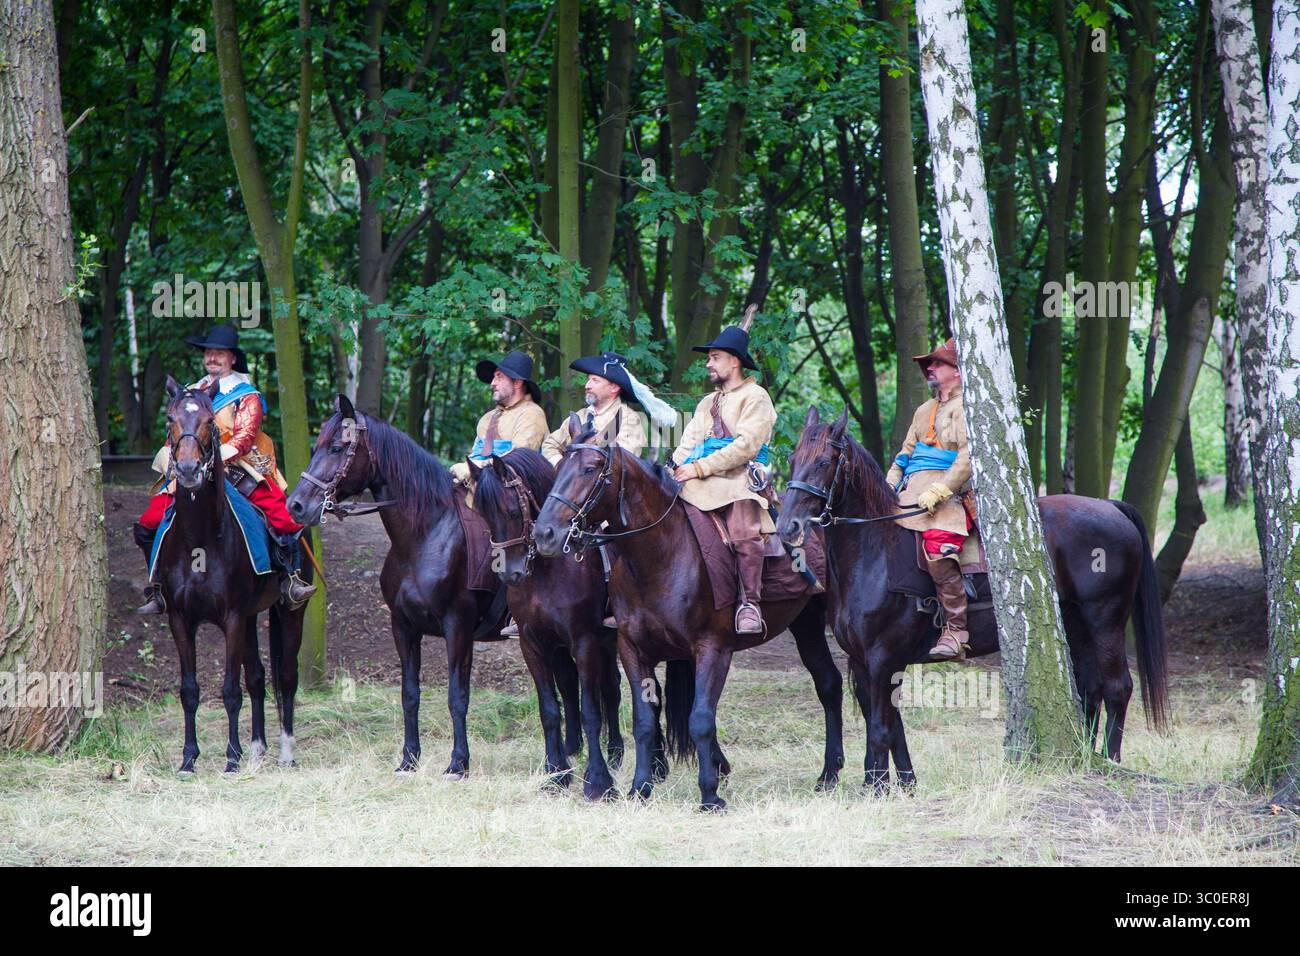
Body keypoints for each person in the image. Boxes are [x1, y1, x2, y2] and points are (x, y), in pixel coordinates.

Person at [134, 324, 317, 613]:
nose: (213, 358)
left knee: (283, 519)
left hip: (239, 467)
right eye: (209, 352)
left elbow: (244, 438)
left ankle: (290, 579)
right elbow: (176, 433)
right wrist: (173, 460)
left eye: (220, 353)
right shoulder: (189, 392)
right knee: (148, 522)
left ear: (233, 358)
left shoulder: (247, 395)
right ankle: (158, 586)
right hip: (192, 467)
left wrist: (215, 460)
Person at [535, 351, 676, 634]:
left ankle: (614, 605)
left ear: (614, 387)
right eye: (588, 379)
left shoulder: (629, 420)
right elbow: (550, 445)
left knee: (613, 545)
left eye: (595, 380)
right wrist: (565, 470)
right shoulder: (578, 418)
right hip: (577, 495)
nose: (587, 385)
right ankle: (532, 606)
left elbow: (623, 462)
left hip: (612, 500)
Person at [671, 313, 775, 634]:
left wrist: (700, 467)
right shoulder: (706, 403)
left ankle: (750, 604)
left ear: (734, 362)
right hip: (696, 479)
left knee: (744, 531)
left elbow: (745, 447)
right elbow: (687, 442)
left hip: (739, 480)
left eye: (715, 358)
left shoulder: (756, 397)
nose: (708, 364)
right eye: (709, 359)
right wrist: (676, 466)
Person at [884, 337, 973, 661]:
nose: (930, 369)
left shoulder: (968, 407)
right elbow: (904, 455)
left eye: (937, 364)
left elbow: (967, 457)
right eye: (929, 365)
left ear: (958, 372)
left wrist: (941, 490)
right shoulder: (923, 410)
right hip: (908, 495)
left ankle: (955, 630)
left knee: (938, 548)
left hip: (949, 499)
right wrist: (889, 486)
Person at [449, 350, 549, 493]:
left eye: (499, 377)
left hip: (514, 495)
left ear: (517, 383)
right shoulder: (487, 418)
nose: (493, 383)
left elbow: (518, 461)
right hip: (480, 486)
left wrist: (477, 466)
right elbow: (477, 453)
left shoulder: (531, 414)